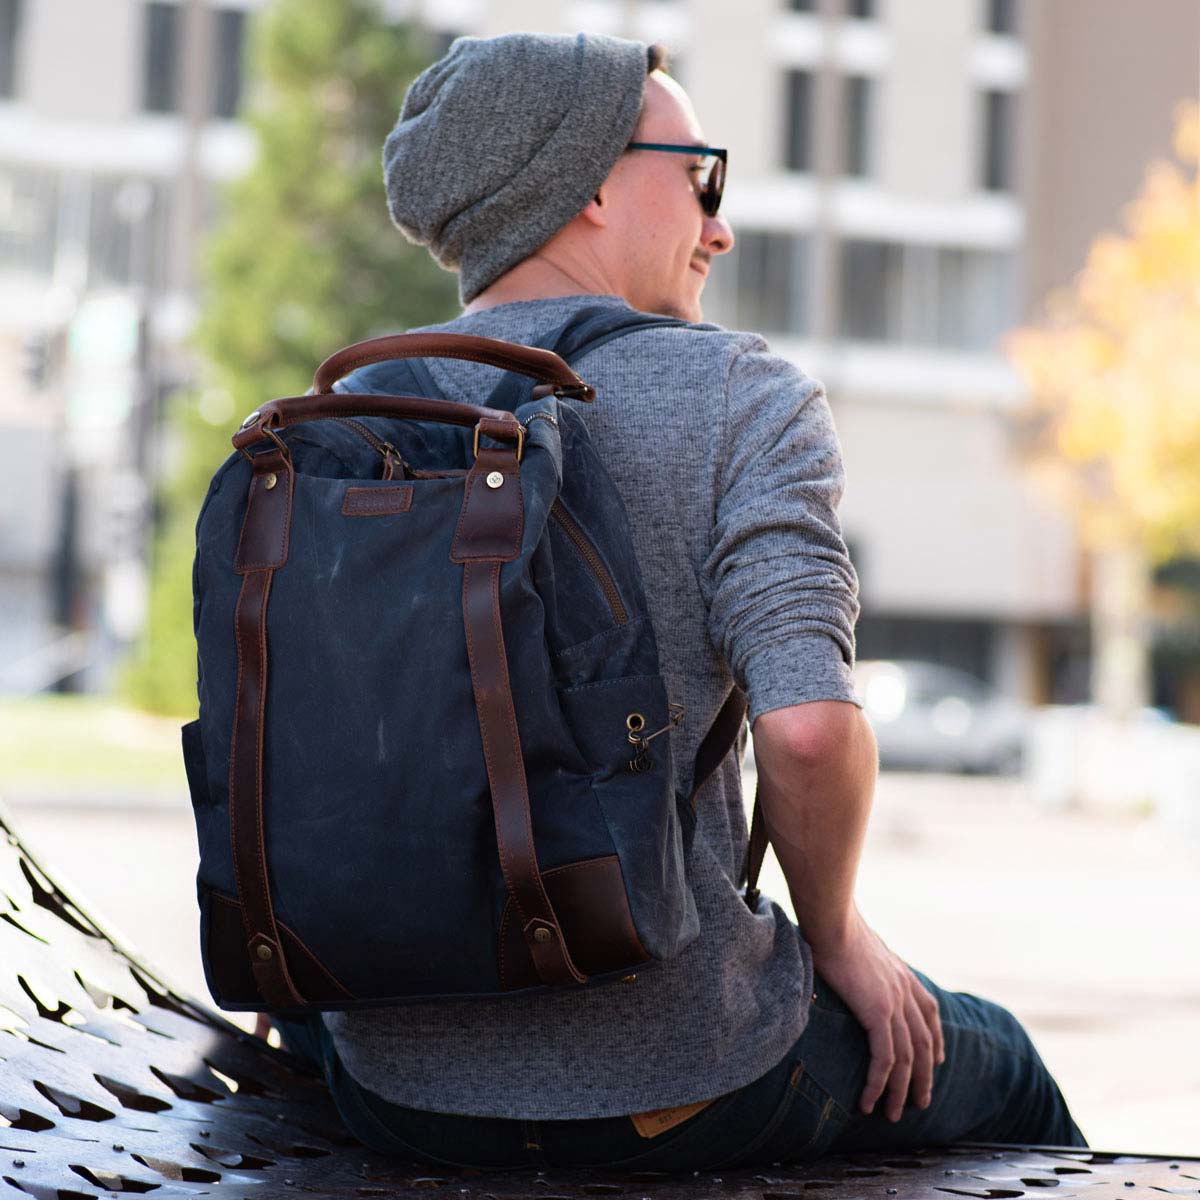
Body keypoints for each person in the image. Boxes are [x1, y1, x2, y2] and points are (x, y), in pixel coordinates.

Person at [267, 30, 1085, 1168]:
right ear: (589, 185)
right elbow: (805, 730)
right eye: (699, 171)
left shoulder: (346, 409)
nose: (722, 222)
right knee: (1002, 1070)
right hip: (680, 1079)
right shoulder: (741, 396)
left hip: (394, 1081)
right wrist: (839, 936)